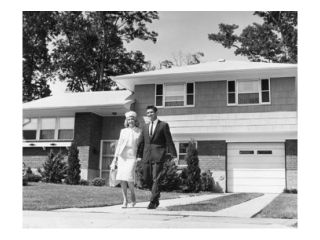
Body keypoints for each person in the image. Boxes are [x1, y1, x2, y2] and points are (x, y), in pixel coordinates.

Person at [137, 105, 177, 209]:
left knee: (156, 178)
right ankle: (156, 196)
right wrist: (138, 155)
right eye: (148, 113)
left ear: (156, 113)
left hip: (159, 155)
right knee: (146, 178)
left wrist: (174, 154)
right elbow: (141, 142)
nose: (149, 114)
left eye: (151, 112)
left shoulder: (163, 125)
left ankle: (152, 201)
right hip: (146, 155)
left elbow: (169, 140)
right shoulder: (144, 126)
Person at [111, 111, 141, 208]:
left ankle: (133, 195)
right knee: (122, 179)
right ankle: (125, 200)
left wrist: (139, 157)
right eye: (128, 119)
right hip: (122, 157)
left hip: (132, 157)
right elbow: (119, 145)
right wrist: (115, 159)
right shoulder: (123, 131)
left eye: (132, 119)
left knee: (129, 178)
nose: (130, 121)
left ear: (135, 120)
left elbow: (140, 146)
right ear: (126, 121)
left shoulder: (139, 131)